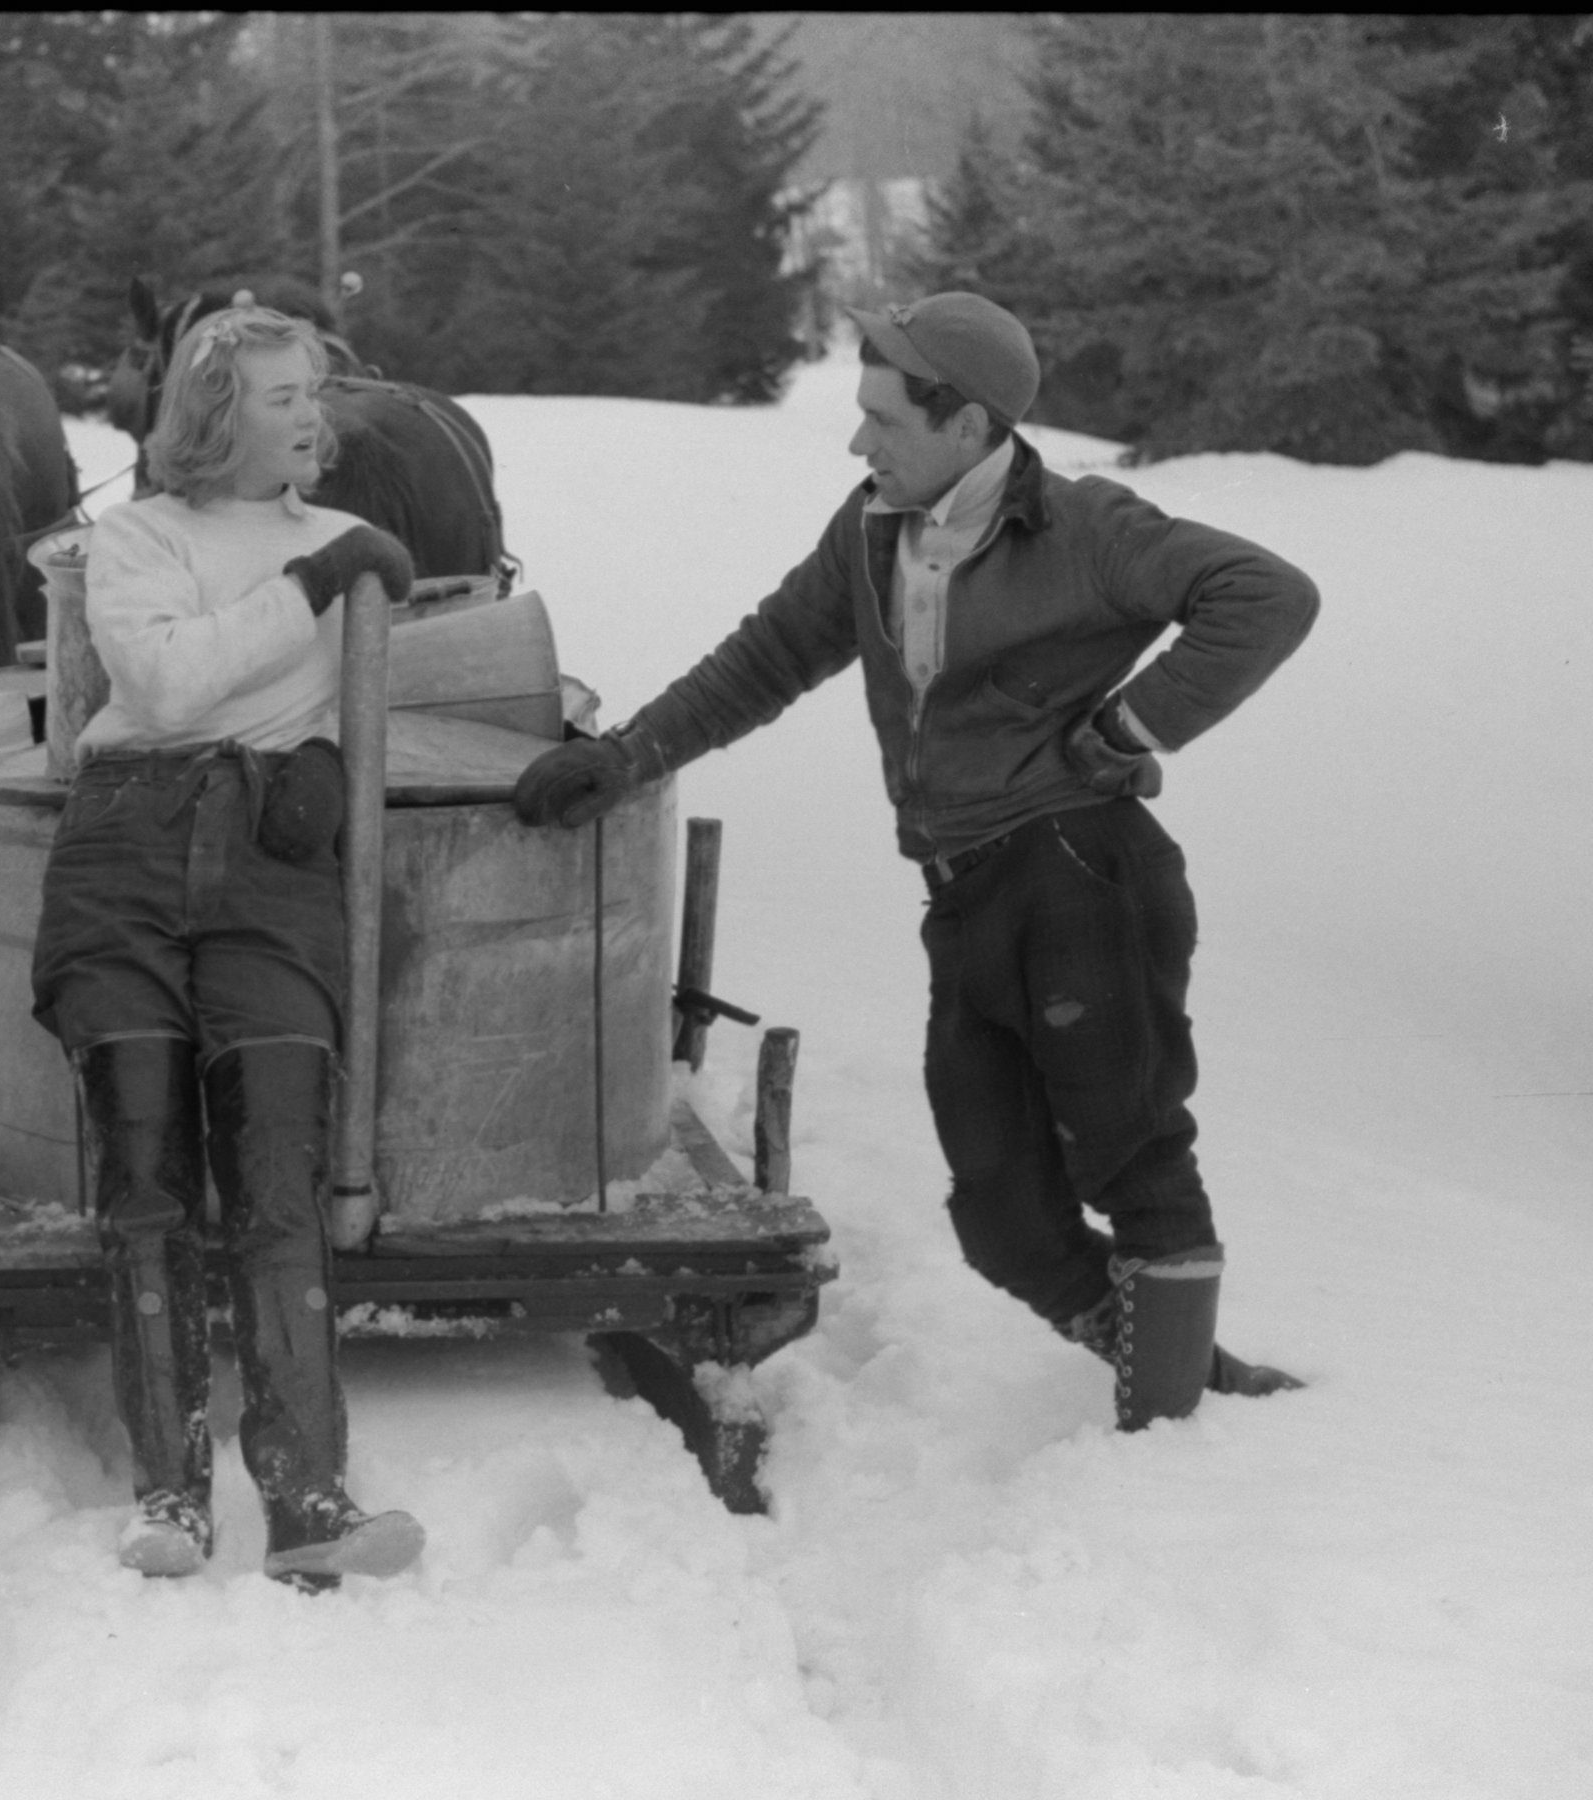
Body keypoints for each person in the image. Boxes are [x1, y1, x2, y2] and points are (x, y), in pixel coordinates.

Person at [515, 293, 1319, 1431]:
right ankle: (1183, 1377)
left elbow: (1267, 595)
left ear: (971, 426)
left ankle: (1171, 1437)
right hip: (967, 893)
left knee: (1133, 1159)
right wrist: (629, 755)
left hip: (1085, 877)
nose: (859, 443)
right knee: (1000, 1212)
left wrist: (1131, 732)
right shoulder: (872, 530)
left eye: (883, 420)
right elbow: (768, 658)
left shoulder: (1086, 530)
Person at [30, 305, 425, 1586]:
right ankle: (169, 1498)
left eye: (315, 391)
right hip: (127, 858)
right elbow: (163, 687)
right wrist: (314, 587)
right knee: (145, 1173)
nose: (313, 415)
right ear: (213, 415)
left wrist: (317, 751)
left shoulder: (345, 541)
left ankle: (309, 1500)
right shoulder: (135, 540)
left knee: (275, 1177)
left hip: (267, 870)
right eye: (278, 396)